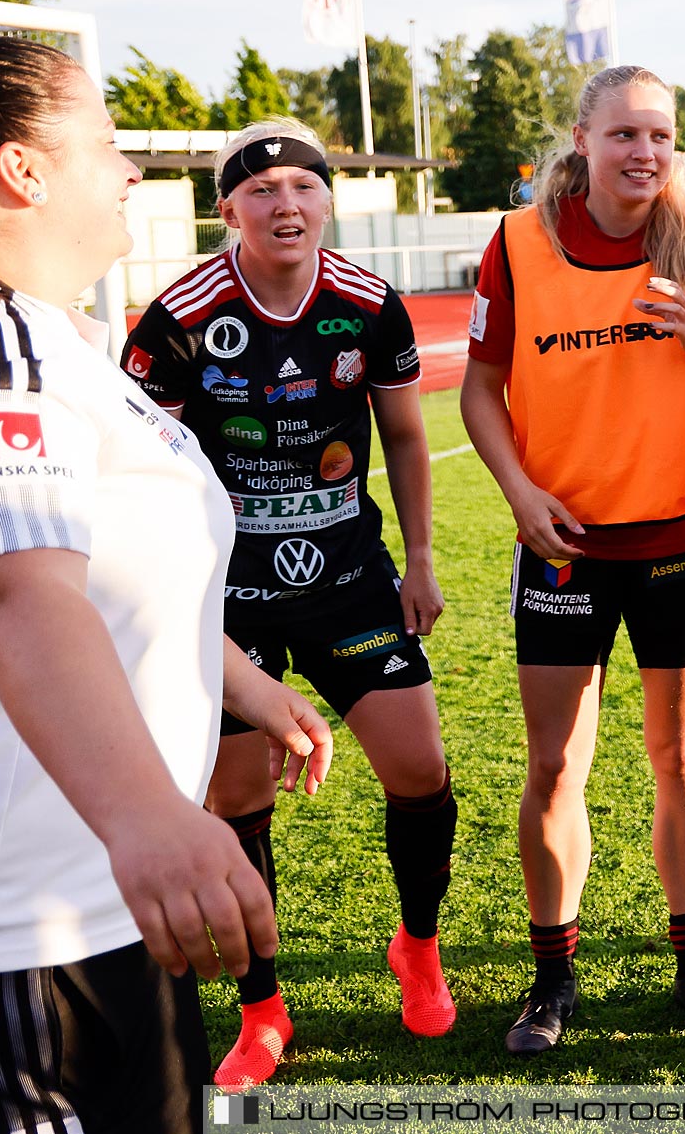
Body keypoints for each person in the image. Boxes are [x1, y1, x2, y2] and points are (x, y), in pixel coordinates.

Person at [0, 35, 329, 1133]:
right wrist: (150, 814)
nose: (132, 169)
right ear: (22, 171)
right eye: (104, 140)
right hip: (5, 936)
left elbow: (95, 563)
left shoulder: (45, 338)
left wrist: (234, 680)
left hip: (105, 901)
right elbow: (16, 596)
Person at [124, 116, 455, 1089]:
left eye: (304, 186)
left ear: (326, 200)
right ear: (226, 208)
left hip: (349, 576)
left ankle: (419, 946)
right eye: (262, 190)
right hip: (227, 595)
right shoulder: (178, 317)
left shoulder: (368, 303)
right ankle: (263, 1007)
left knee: (420, 768)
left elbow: (402, 432)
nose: (287, 204)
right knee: (237, 799)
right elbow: (142, 474)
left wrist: (422, 558)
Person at [461, 64, 685, 1053]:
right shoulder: (518, 241)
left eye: (661, 136)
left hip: (679, 539)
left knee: (682, 757)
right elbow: (481, 390)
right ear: (581, 140)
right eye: (625, 133)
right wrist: (520, 494)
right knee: (555, 764)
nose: (645, 152)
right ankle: (551, 976)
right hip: (562, 547)